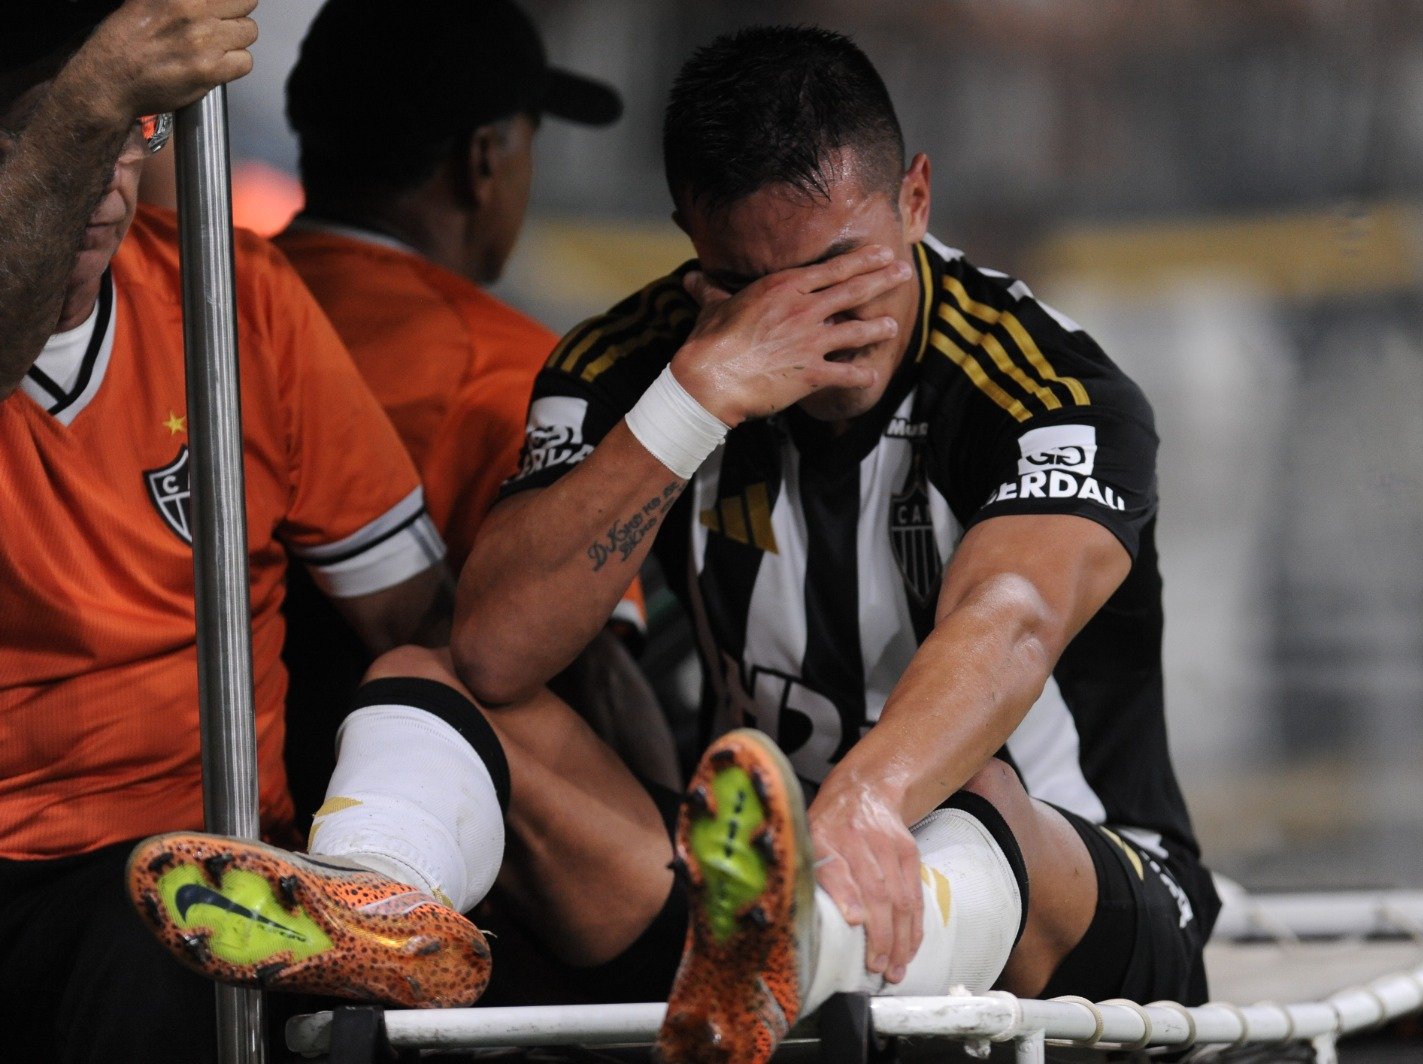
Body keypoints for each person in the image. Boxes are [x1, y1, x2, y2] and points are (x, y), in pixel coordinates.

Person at [130, 24, 1220, 1063]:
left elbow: (1011, 618)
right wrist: (696, 396)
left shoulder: (1046, 385)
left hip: (1068, 901)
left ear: (915, 199)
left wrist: (866, 800)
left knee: (976, 790)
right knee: (425, 673)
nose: (809, 320)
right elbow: (498, 649)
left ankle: (808, 950)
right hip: (734, 895)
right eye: (752, 286)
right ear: (691, 242)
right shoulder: (633, 363)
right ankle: (383, 898)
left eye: (841, 266)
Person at [0, 2, 455, 1060]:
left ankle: (369, 907)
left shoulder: (234, 298)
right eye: (55, 131)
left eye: (132, 131)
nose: (106, 174)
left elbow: (418, 616)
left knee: (173, 932)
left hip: (207, 856)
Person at [267, 0, 666, 826]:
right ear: (484, 159)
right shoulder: (516, 368)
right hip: (415, 839)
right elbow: (597, 680)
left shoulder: (206, 308)